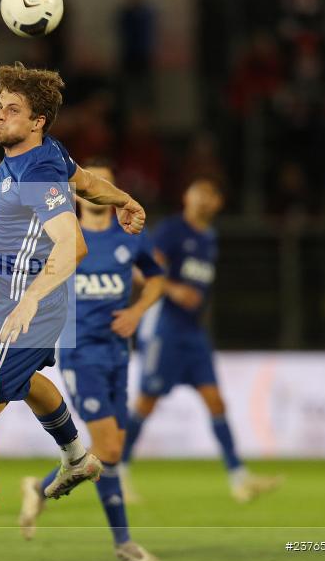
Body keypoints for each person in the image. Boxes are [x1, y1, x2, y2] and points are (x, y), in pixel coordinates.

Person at [0, 62, 148, 560]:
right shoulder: (47, 155)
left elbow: (72, 244)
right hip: (3, 301)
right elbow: (87, 183)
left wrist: (31, 300)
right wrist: (125, 199)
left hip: (20, 309)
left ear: (37, 120)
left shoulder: (35, 169)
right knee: (24, 384)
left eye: (12, 110)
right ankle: (77, 457)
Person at [18, 159, 165, 561]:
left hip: (118, 353)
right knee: (109, 446)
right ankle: (124, 544)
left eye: (106, 184)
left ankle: (40, 488)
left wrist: (137, 312)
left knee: (108, 450)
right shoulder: (63, 236)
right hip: (79, 351)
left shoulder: (130, 235)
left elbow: (157, 278)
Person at [121, 176, 283, 503]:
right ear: (187, 197)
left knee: (215, 401)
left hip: (193, 334)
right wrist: (174, 289)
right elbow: (142, 272)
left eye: (210, 194)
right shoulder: (171, 231)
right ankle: (117, 470)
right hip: (164, 328)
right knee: (145, 403)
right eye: (199, 192)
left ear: (217, 204)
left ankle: (239, 477)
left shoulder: (209, 238)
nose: (204, 199)